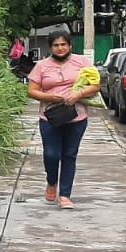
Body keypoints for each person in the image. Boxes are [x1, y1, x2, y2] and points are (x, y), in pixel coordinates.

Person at [26, 33, 97, 208]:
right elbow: (32, 91)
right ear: (51, 48)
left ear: (70, 45)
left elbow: (95, 85)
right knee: (51, 154)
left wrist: (78, 94)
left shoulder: (82, 63)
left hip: (77, 115)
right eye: (56, 45)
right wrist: (49, 97)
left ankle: (65, 195)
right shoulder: (42, 66)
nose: (60, 48)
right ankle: (51, 181)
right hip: (50, 116)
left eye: (64, 44)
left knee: (69, 155)